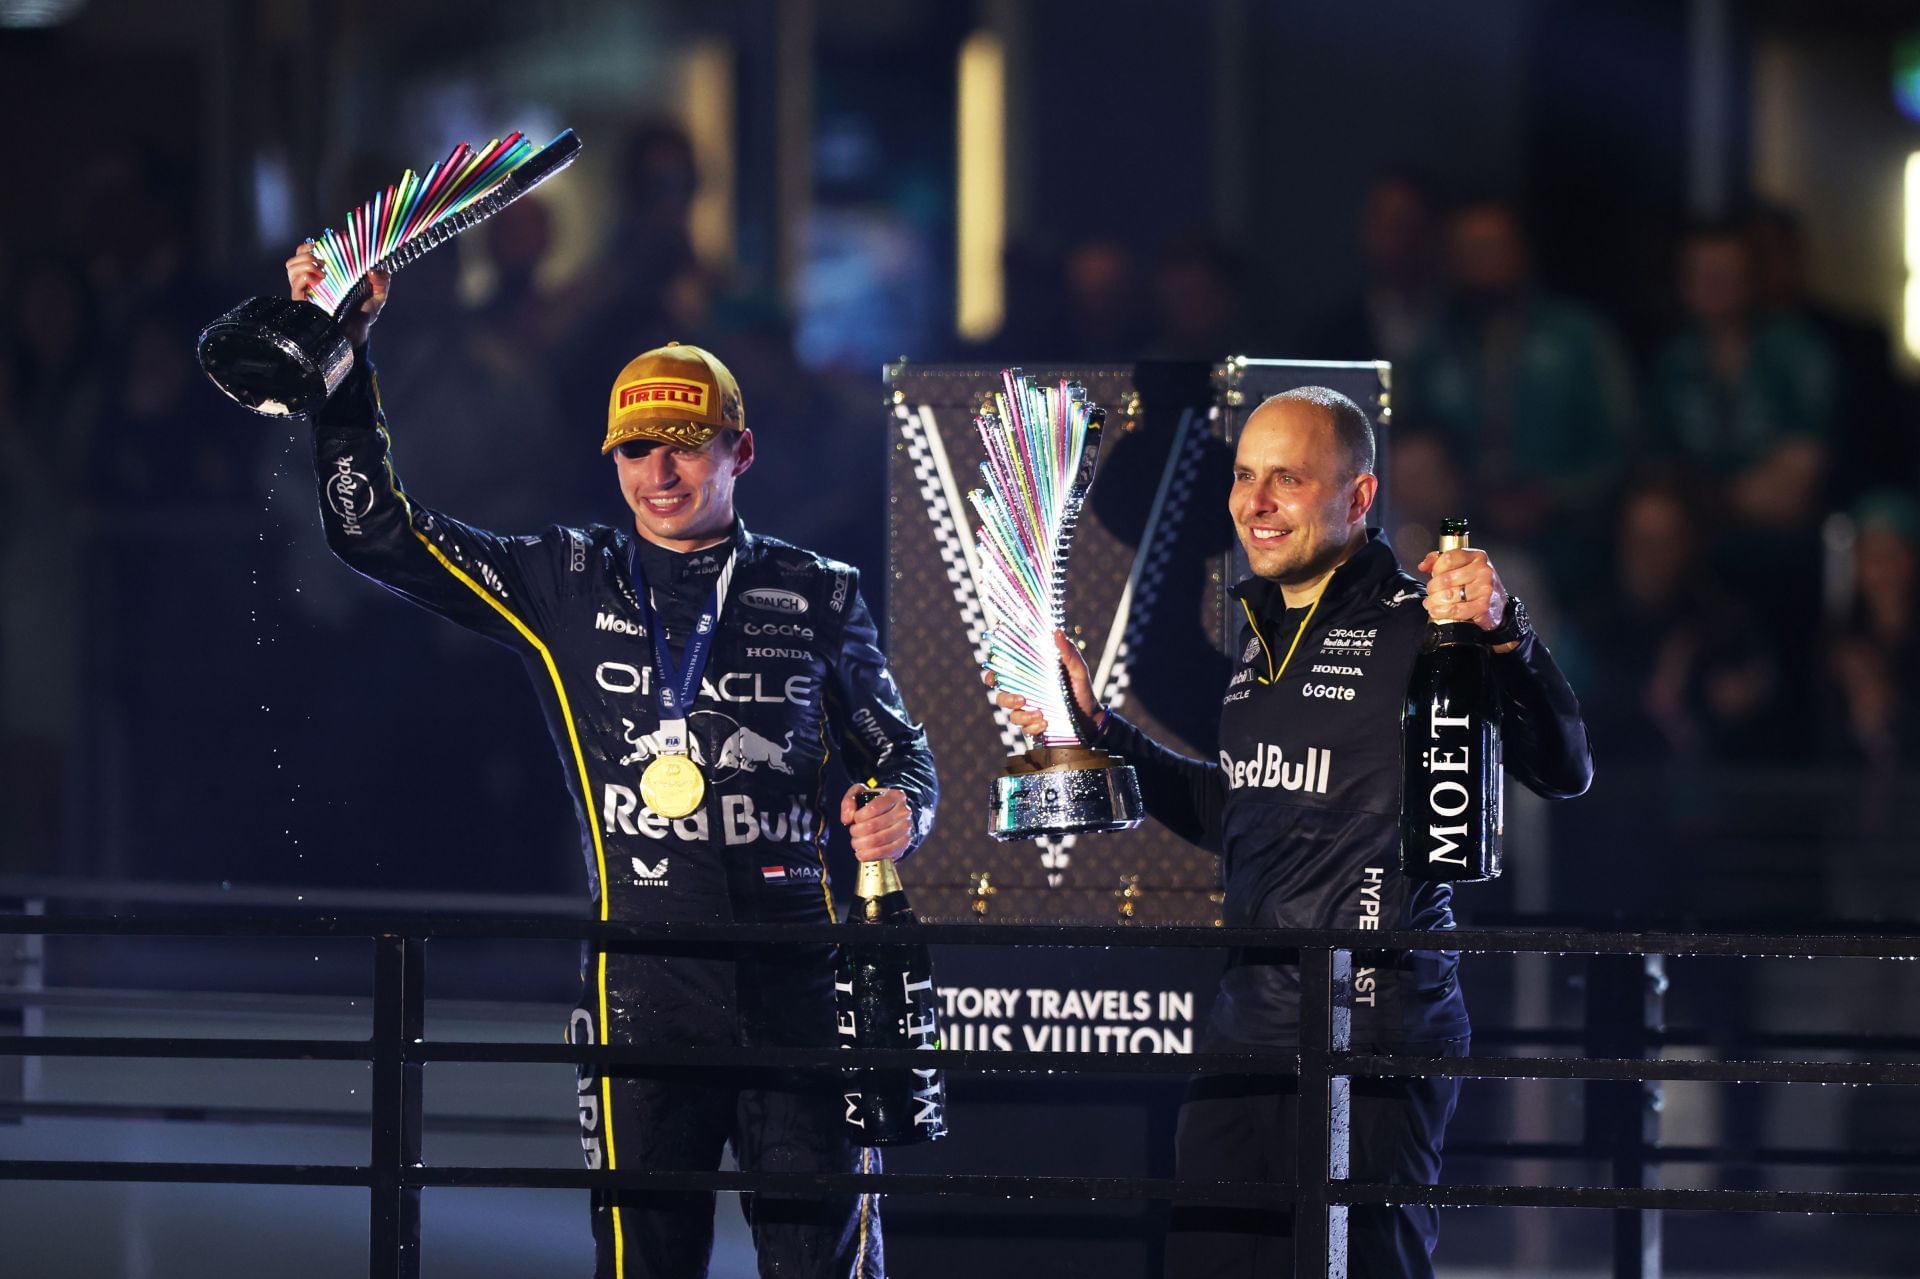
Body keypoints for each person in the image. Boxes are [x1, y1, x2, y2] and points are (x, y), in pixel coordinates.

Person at [285, 245, 935, 1279]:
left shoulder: (820, 590)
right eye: (636, 450)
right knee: (642, 1263)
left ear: (742, 452)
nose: (659, 474)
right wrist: (343, 370)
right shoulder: (563, 578)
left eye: (684, 447)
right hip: (639, 988)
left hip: (801, 983)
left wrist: (901, 804)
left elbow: (907, 755)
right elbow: (374, 535)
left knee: (827, 1265)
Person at [995, 386, 1592, 1277]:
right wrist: (1102, 730)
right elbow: (1240, 816)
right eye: (1243, 475)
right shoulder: (1263, 632)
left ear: (1358, 498)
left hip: (1374, 1033)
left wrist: (1505, 634)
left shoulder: (1425, 626)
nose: (1255, 502)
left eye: (1287, 477)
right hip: (1251, 1028)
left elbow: (1562, 768)